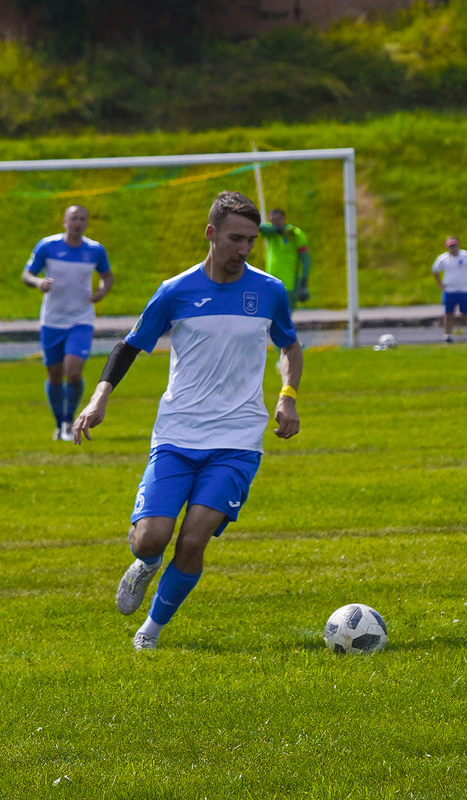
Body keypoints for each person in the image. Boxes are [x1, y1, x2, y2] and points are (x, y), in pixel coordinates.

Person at [72, 191, 302, 651]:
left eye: (251, 241)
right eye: (236, 239)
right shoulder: (175, 290)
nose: (244, 249)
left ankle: (150, 631)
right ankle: (145, 563)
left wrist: (287, 396)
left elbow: (289, 345)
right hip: (177, 434)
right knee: (150, 539)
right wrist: (99, 397)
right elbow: (129, 346)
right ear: (211, 233)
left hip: (237, 439)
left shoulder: (269, 291)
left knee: (193, 541)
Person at [21, 205, 114, 441]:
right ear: (65, 222)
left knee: (73, 373)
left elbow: (107, 276)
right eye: (74, 218)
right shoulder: (47, 246)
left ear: (87, 223)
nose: (78, 223)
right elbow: (27, 274)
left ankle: (68, 421)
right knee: (54, 375)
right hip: (52, 320)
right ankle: (58, 422)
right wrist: (38, 282)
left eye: (82, 219)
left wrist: (102, 291)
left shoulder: (94, 250)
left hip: (81, 319)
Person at [431, 235, 467, 343]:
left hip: (464, 290)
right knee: (448, 313)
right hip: (450, 290)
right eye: (450, 246)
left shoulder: (466, 255)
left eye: (454, 245)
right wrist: (440, 283)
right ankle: (448, 335)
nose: (452, 248)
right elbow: (435, 270)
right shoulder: (443, 258)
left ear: (458, 245)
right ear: (447, 246)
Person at [258, 208, 311, 309]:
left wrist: (303, 284)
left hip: (289, 284)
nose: (275, 224)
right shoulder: (270, 233)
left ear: (284, 219)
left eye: (278, 220)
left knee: (285, 315)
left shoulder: (295, 233)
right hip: (271, 283)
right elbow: (258, 227)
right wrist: (278, 230)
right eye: (272, 221)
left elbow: (306, 260)